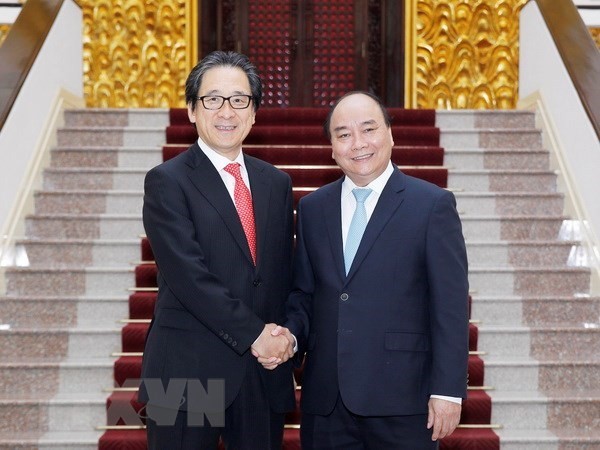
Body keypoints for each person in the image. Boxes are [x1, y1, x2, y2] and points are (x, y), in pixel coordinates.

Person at [279, 91, 470, 449]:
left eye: (369, 129)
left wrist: (448, 390)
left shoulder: (432, 205)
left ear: (390, 134)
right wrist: (290, 336)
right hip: (327, 402)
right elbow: (304, 295)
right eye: (344, 134)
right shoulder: (312, 208)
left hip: (404, 401)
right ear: (332, 147)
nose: (358, 143)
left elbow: (450, 306)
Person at [138, 50, 296, 450]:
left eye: (239, 100)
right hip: (186, 372)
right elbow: (188, 277)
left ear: (254, 112)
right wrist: (255, 334)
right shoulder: (167, 182)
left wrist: (287, 339)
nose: (227, 111)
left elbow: (282, 275)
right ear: (192, 109)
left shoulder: (276, 183)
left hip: (262, 373)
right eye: (213, 99)